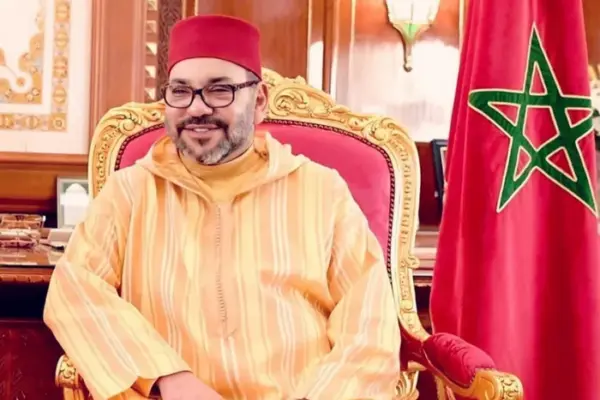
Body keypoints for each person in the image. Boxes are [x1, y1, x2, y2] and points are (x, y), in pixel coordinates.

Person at [43, 14, 401, 400]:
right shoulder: (131, 192)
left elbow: (369, 325)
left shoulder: (322, 191)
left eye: (219, 91)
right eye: (181, 91)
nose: (197, 108)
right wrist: (169, 377)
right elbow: (74, 290)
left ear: (258, 100)